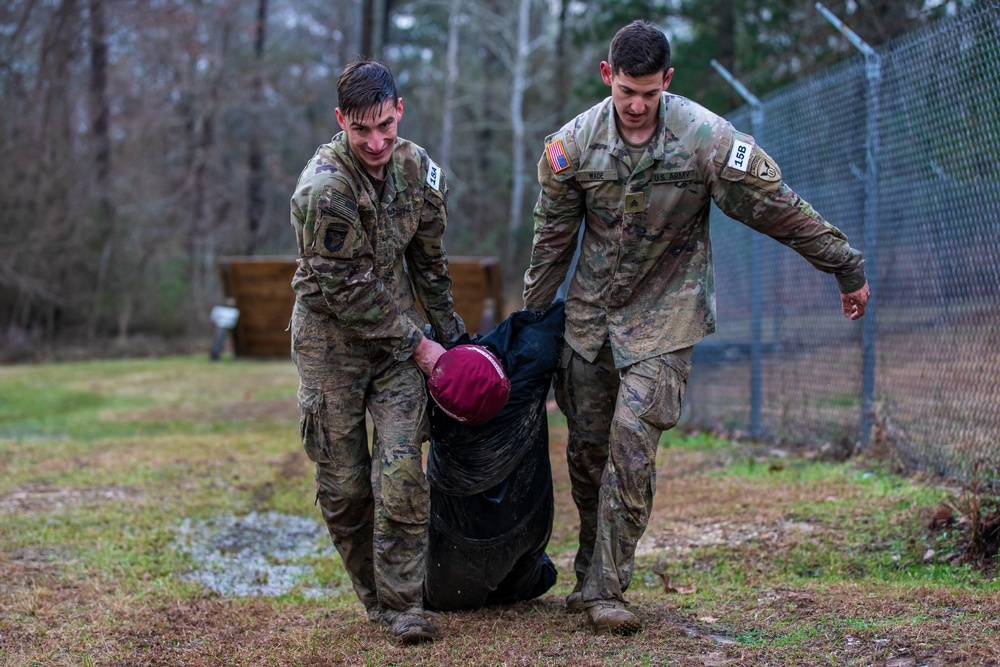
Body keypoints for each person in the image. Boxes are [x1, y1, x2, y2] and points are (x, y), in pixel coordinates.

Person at [522, 20, 871, 636]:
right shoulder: (572, 148)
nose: (636, 106)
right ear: (607, 76)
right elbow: (551, 242)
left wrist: (844, 266)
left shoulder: (706, 139)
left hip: (667, 314)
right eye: (626, 91)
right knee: (587, 454)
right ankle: (589, 571)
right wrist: (529, 325)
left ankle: (607, 588)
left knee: (632, 448)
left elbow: (777, 208)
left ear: (668, 81)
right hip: (590, 323)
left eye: (649, 93)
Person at [288, 59, 465, 644]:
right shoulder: (325, 189)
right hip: (331, 341)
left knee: (402, 472)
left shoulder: (418, 171)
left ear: (399, 111)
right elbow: (350, 294)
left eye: (385, 125)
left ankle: (403, 604)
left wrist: (451, 333)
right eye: (361, 129)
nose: (375, 142)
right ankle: (375, 597)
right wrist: (422, 346)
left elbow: (428, 261)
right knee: (345, 489)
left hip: (397, 349)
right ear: (341, 120)